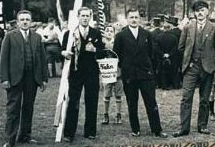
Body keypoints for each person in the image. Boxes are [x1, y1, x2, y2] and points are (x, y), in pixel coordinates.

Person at [113, 8, 167, 138]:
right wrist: (125, 67)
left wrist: (149, 69)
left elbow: (151, 54)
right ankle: (135, 129)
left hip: (145, 74)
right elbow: (116, 55)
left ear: (140, 19)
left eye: (136, 17)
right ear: (127, 19)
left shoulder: (147, 34)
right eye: (131, 17)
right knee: (132, 103)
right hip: (129, 75)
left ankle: (157, 129)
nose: (134, 20)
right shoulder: (121, 35)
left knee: (151, 102)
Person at [173, 0, 215, 137]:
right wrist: (187, 61)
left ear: (207, 11)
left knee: (204, 99)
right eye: (197, 11)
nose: (199, 13)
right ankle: (184, 128)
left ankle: (202, 126)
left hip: (208, 69)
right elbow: (181, 47)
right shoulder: (188, 27)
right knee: (186, 98)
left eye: (202, 10)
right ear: (194, 13)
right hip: (191, 68)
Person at [0, 10, 48, 147]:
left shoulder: (37, 37)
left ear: (31, 21)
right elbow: (3, 59)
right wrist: (5, 78)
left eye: (27, 19)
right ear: (17, 22)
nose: (25, 22)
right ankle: (10, 139)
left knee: (28, 107)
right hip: (14, 78)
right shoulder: (9, 36)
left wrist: (44, 78)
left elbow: (43, 59)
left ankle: (25, 136)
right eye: (22, 19)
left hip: (32, 78)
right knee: (13, 108)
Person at [61, 7, 105, 142]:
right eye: (83, 16)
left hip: (91, 73)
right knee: (73, 102)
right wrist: (64, 53)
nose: (85, 18)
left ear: (90, 17)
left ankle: (90, 131)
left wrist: (95, 50)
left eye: (87, 16)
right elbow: (62, 50)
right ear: (78, 17)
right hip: (76, 73)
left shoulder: (96, 33)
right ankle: (69, 133)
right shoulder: (70, 34)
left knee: (91, 101)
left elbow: (103, 52)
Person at [101, 25, 124, 125]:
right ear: (104, 32)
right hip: (106, 72)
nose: (109, 32)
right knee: (106, 95)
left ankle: (118, 115)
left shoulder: (117, 43)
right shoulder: (102, 44)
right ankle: (106, 115)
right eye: (107, 31)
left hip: (117, 72)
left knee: (118, 94)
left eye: (111, 31)